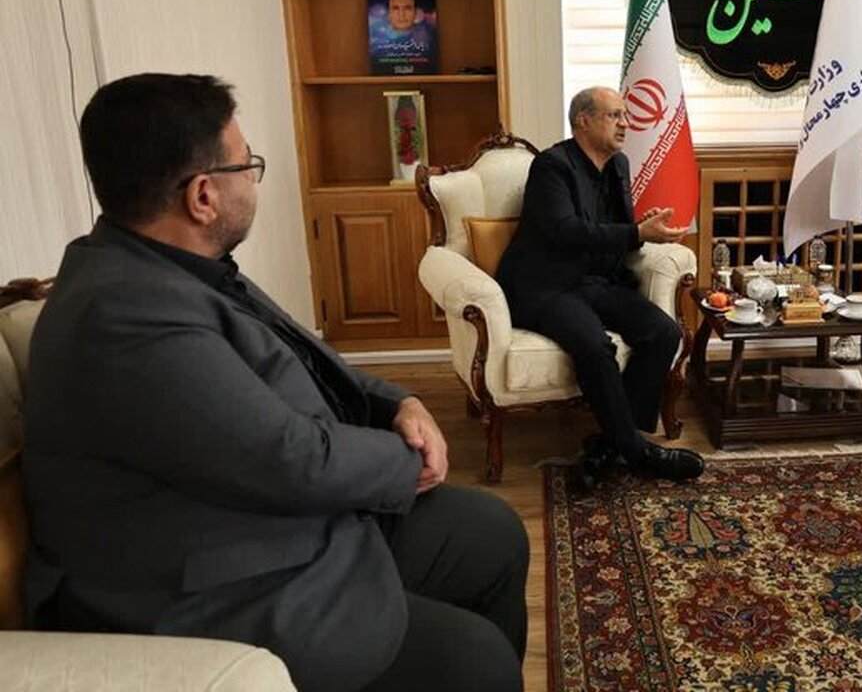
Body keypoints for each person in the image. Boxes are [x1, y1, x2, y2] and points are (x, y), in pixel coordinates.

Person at [21, 73, 528, 692]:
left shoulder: (171, 266)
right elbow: (286, 459)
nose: (254, 180)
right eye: (247, 165)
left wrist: (401, 402)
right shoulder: (124, 316)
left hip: (275, 512)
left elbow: (310, 360)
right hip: (217, 575)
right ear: (203, 195)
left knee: (494, 534)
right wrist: (407, 459)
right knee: (475, 662)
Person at [496, 86, 705, 487]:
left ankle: (611, 444)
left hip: (596, 280)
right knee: (595, 345)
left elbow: (616, 229)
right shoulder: (551, 166)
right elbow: (564, 231)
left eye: (625, 115)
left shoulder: (618, 164)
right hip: (546, 284)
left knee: (664, 332)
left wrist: (642, 228)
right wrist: (636, 232)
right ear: (583, 121)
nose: (625, 124)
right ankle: (638, 452)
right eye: (614, 115)